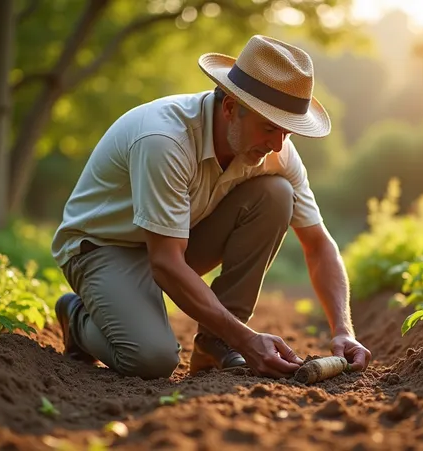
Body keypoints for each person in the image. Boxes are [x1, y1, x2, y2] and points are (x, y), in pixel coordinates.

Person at [50, 34, 372, 380]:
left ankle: (215, 344)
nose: (277, 144)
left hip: (173, 244)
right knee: (151, 360)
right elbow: (165, 262)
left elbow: (319, 245)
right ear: (230, 108)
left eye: (287, 132)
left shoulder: (275, 151)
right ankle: (78, 317)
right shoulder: (165, 140)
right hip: (102, 248)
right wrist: (247, 339)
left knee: (277, 194)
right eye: (268, 128)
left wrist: (343, 329)